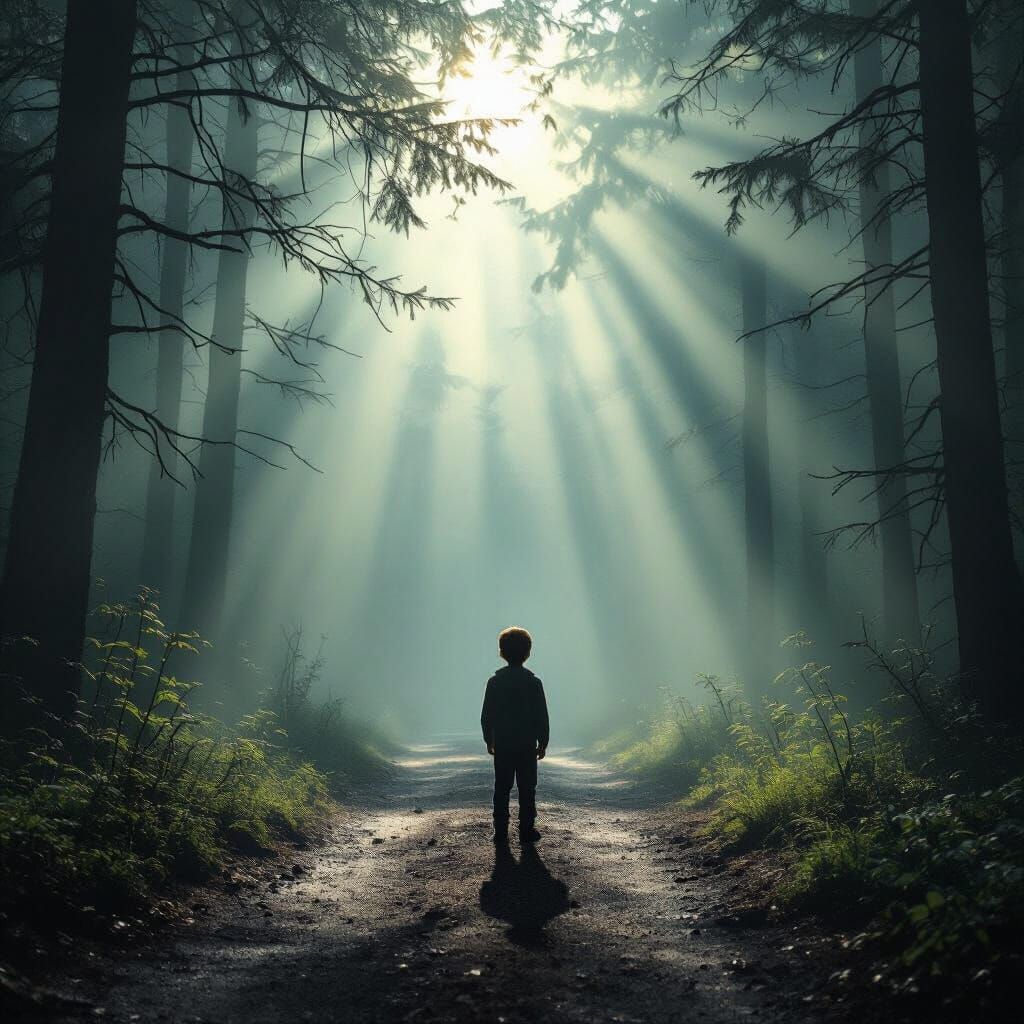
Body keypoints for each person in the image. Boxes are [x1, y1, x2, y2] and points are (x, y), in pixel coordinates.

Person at [480, 626, 550, 844]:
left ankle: (500, 831)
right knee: (527, 788)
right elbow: (542, 715)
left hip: (503, 743)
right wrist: (543, 741)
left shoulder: (494, 682)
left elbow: (486, 716)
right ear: (528, 652)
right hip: (527, 744)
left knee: (502, 787)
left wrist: (489, 740)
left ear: (501, 652)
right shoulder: (534, 682)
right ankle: (527, 829)